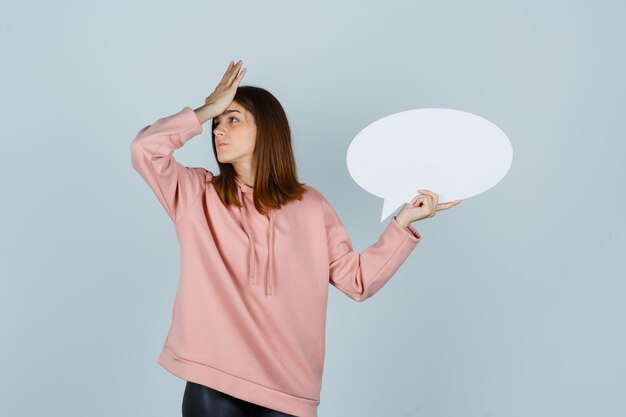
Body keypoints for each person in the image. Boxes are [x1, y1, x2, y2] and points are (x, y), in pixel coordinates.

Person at [130, 59, 462, 417]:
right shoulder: (197, 193)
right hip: (213, 382)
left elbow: (357, 281)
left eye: (233, 119)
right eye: (216, 122)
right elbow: (145, 150)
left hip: (290, 390)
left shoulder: (311, 206)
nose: (217, 130)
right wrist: (205, 108)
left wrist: (403, 221)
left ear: (267, 130)